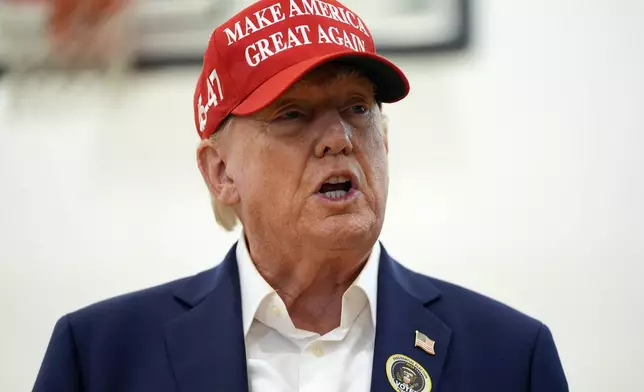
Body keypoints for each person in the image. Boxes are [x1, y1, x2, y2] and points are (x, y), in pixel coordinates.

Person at [33, 0, 569, 391]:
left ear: (384, 138)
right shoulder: (101, 358)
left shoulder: (511, 356)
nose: (339, 137)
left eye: (358, 107)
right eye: (291, 114)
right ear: (221, 172)